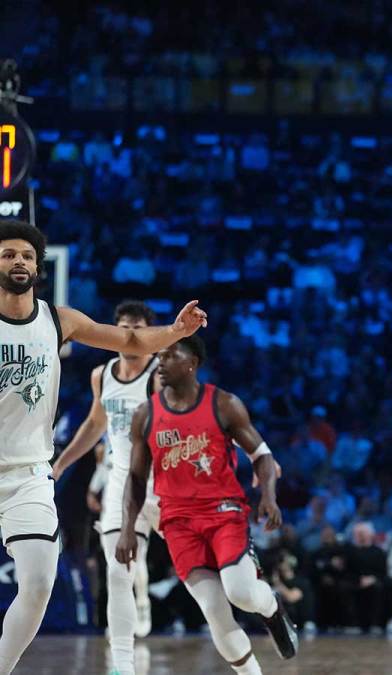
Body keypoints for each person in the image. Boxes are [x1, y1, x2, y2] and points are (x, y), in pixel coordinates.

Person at [0, 220, 206, 674]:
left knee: (37, 585)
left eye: (27, 256)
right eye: (9, 254)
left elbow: (130, 340)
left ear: (38, 267)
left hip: (28, 475)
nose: (19, 261)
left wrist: (174, 330)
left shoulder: (59, 320)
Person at [115, 336, 298, 674]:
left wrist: (269, 497)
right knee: (214, 609)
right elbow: (136, 480)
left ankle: (273, 608)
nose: (160, 362)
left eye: (170, 355)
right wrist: (127, 529)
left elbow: (263, 455)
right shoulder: (145, 414)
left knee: (241, 592)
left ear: (191, 363)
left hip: (223, 512)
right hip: (177, 523)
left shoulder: (224, 404)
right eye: (159, 355)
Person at [51, 300, 160, 675]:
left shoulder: (163, 373)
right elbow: (95, 425)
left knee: (202, 575)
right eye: (124, 328)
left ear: (150, 333)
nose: (130, 335)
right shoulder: (102, 374)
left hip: (164, 481)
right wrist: (61, 464)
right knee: (118, 569)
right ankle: (123, 664)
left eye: (138, 328)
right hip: (121, 479)